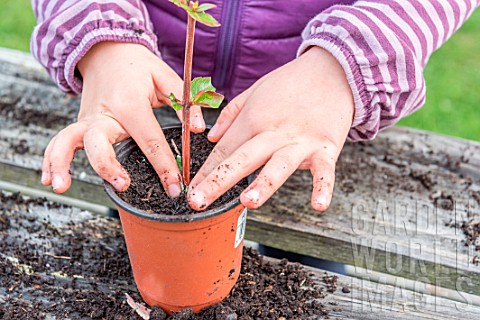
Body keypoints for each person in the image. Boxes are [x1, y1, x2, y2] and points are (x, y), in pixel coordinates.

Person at [31, 0, 478, 212]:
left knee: (308, 257)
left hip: (311, 120)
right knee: (135, 223)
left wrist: (347, 64)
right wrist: (101, 40)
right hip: (144, 105)